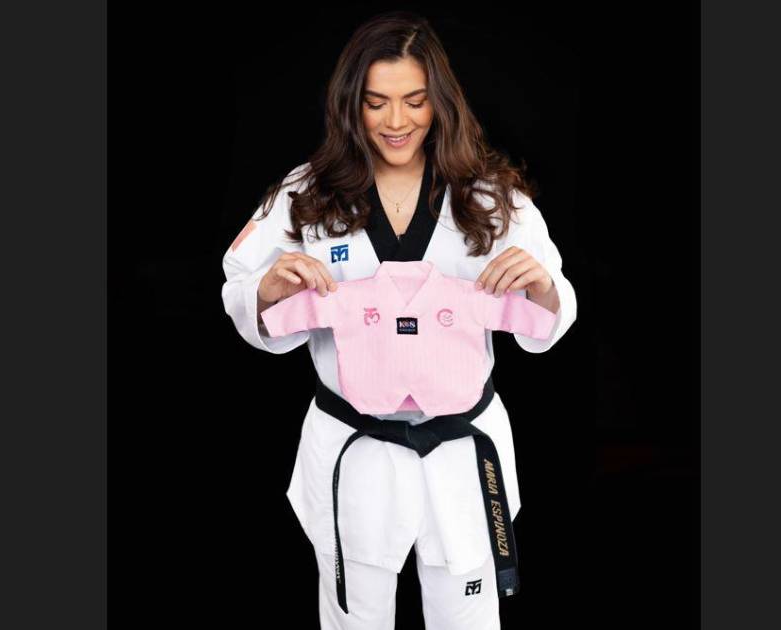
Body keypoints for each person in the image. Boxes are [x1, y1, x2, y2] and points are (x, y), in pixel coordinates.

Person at [220, 11, 577, 630]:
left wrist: (543, 287)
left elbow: (551, 310)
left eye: (414, 101)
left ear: (440, 101)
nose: (396, 122)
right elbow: (239, 284)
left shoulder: (491, 196)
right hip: (354, 443)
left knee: (467, 617)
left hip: (461, 447)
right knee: (354, 618)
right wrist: (266, 290)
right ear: (350, 104)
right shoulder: (305, 194)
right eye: (376, 102)